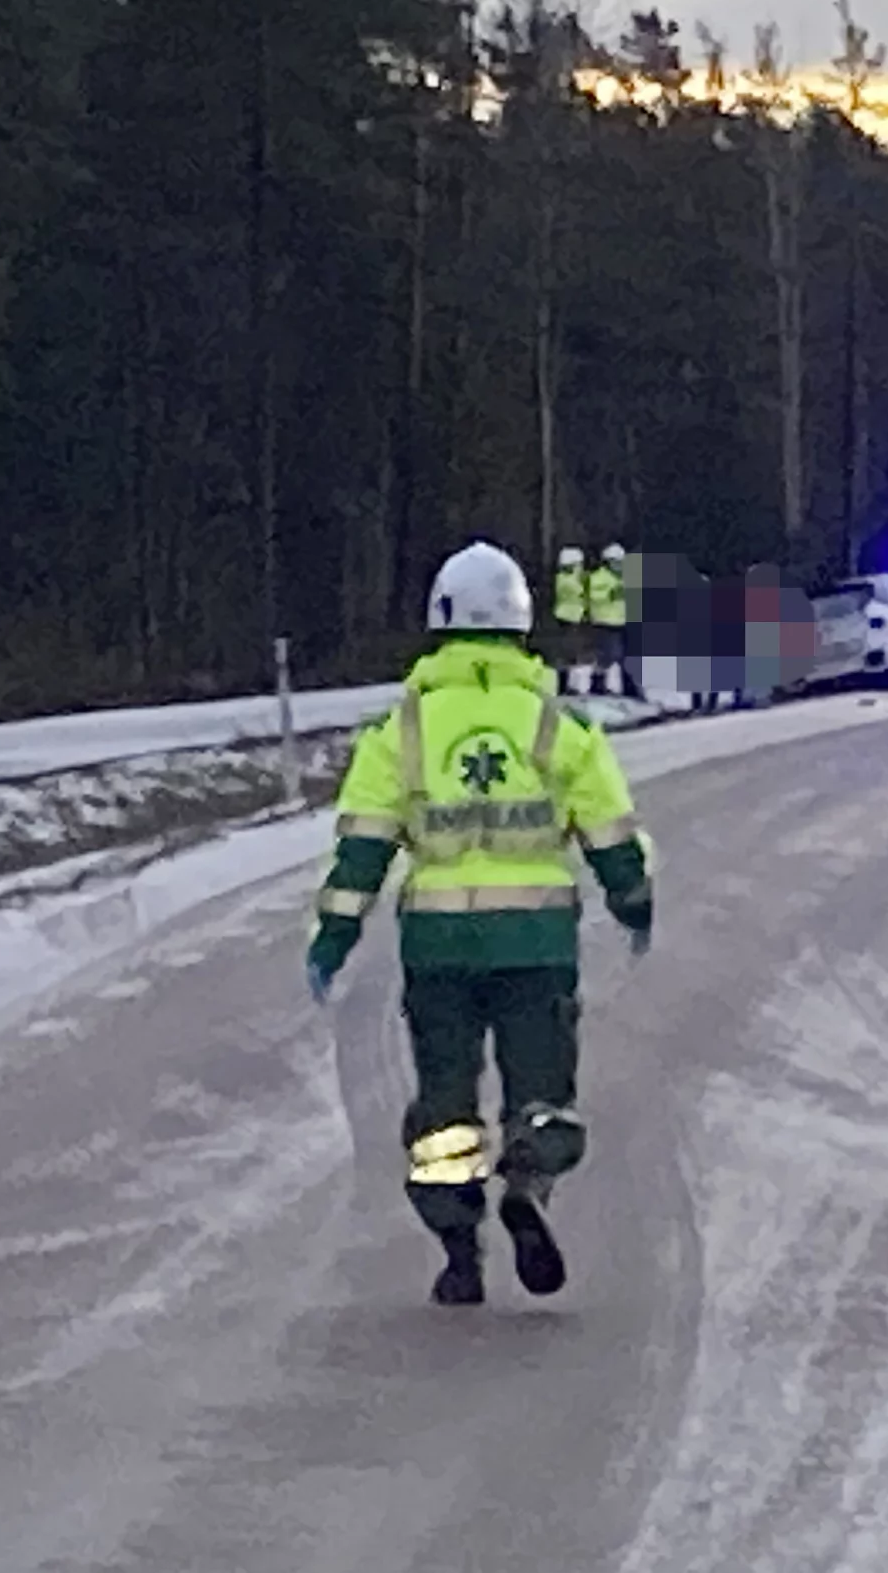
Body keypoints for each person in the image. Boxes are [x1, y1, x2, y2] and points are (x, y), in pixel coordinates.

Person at [304, 541, 655, 1307]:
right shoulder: (555, 725)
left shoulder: (404, 729)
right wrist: (634, 903)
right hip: (536, 947)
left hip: (439, 951)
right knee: (542, 1088)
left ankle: (459, 1253)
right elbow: (610, 836)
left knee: (444, 1110)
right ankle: (528, 1175)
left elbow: (362, 849)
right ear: (523, 622)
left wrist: (332, 940)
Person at [587, 543, 629, 695]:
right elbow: (594, 596)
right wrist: (611, 594)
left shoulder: (623, 577)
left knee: (623, 656)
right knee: (608, 656)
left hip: (622, 621)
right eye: (616, 562)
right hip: (604, 622)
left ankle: (628, 687)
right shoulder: (598, 578)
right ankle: (597, 684)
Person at [553, 547, 588, 690]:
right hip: (569, 617)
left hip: (572, 616)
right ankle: (566, 683)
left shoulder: (565, 578)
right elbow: (578, 591)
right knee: (570, 652)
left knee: (571, 652)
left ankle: (567, 682)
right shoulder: (565, 580)